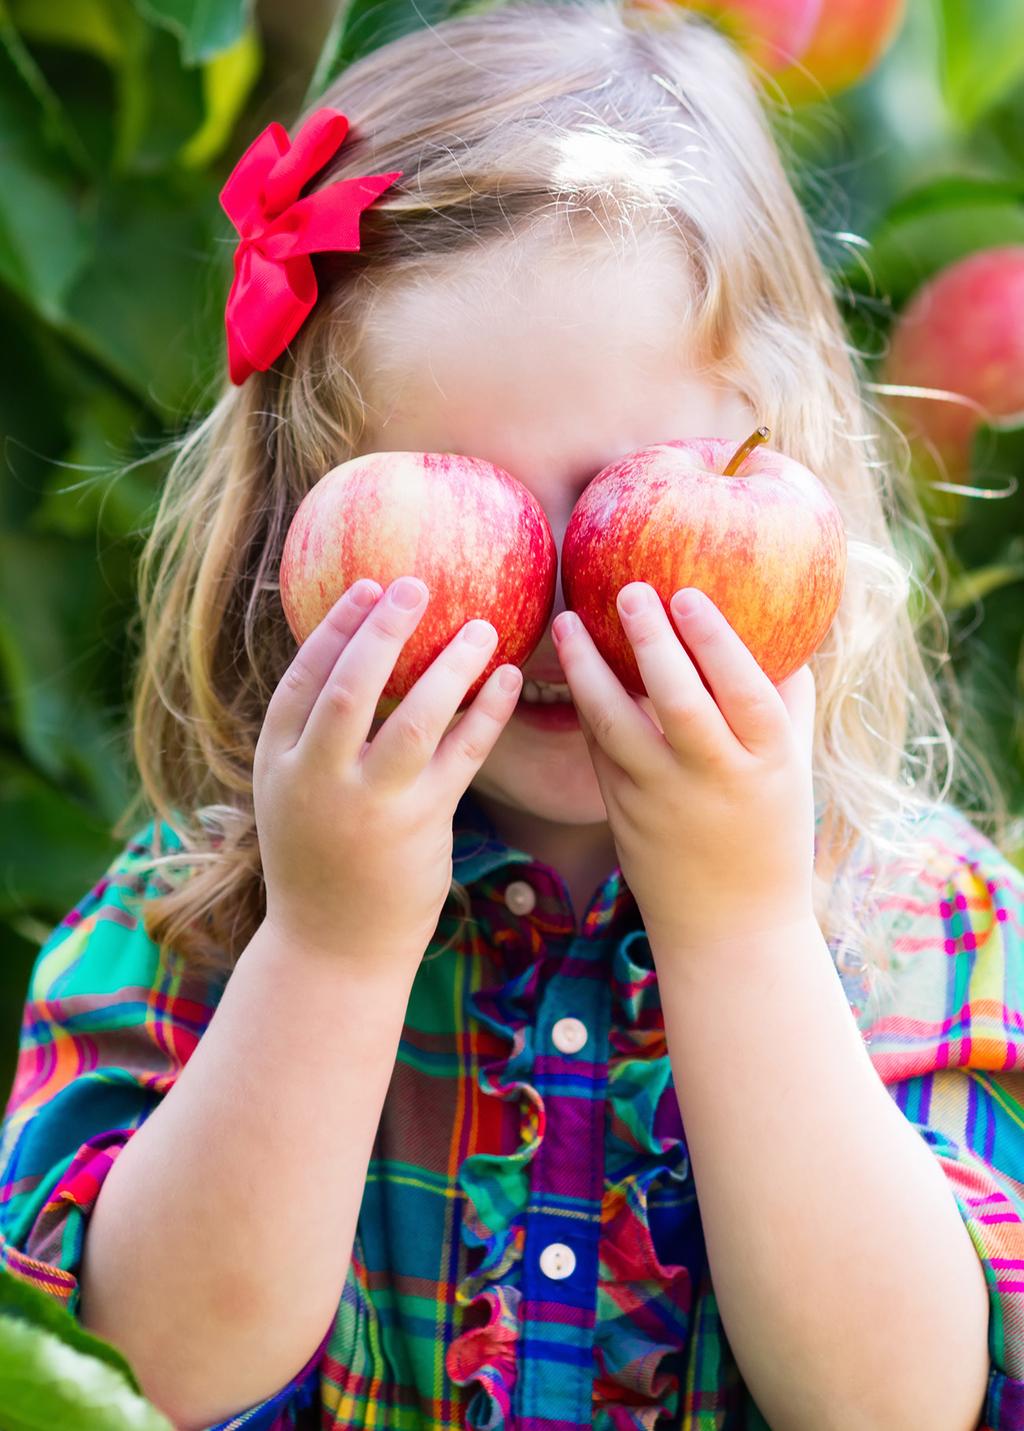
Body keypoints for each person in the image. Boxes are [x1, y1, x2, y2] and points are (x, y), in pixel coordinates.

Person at [1, 2, 1022, 1427]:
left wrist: (741, 932)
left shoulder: (924, 924)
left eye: (628, 496)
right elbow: (138, 1381)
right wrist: (331, 949)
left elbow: (897, 1406)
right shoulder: (203, 919)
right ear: (297, 533)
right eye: (459, 506)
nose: (552, 609)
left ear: (784, 477)